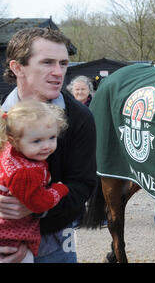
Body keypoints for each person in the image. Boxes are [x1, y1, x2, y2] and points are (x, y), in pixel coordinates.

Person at [0, 27, 96, 263]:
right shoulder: (2, 117)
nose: (58, 72)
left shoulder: (80, 118)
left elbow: (83, 185)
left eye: (63, 63)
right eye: (47, 62)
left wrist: (36, 207)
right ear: (17, 67)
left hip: (56, 242)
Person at [0, 101, 69, 263]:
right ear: (14, 140)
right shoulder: (25, 173)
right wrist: (60, 189)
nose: (46, 146)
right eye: (37, 141)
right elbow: (39, 202)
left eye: (52, 137)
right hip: (11, 238)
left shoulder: (9, 150)